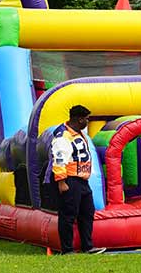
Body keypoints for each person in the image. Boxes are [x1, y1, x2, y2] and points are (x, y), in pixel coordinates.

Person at [50, 106, 106, 254]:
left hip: (82, 180)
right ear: (80, 119)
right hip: (70, 180)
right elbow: (59, 159)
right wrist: (61, 181)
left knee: (87, 212)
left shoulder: (79, 133)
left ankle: (87, 246)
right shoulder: (63, 136)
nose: (87, 122)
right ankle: (67, 249)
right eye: (87, 119)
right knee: (68, 215)